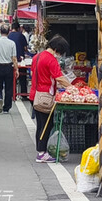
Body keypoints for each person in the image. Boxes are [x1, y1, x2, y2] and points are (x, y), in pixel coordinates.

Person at [30, 35, 71, 163]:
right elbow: (59, 77)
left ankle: (41, 151)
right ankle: (42, 153)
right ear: (58, 49)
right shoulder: (51, 60)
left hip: (35, 94)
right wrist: (71, 87)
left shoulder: (37, 57)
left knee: (41, 124)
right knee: (47, 125)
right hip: (45, 97)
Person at [0, 24, 18, 114]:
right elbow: (14, 58)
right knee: (9, 88)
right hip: (8, 66)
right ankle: (6, 108)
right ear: (9, 32)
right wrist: (17, 69)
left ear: (0, 31)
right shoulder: (12, 43)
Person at [8, 22, 29, 94]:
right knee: (23, 78)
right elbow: (25, 48)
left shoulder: (9, 36)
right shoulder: (21, 36)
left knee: (12, 78)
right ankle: (23, 94)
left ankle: (12, 93)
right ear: (18, 28)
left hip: (11, 60)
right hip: (20, 59)